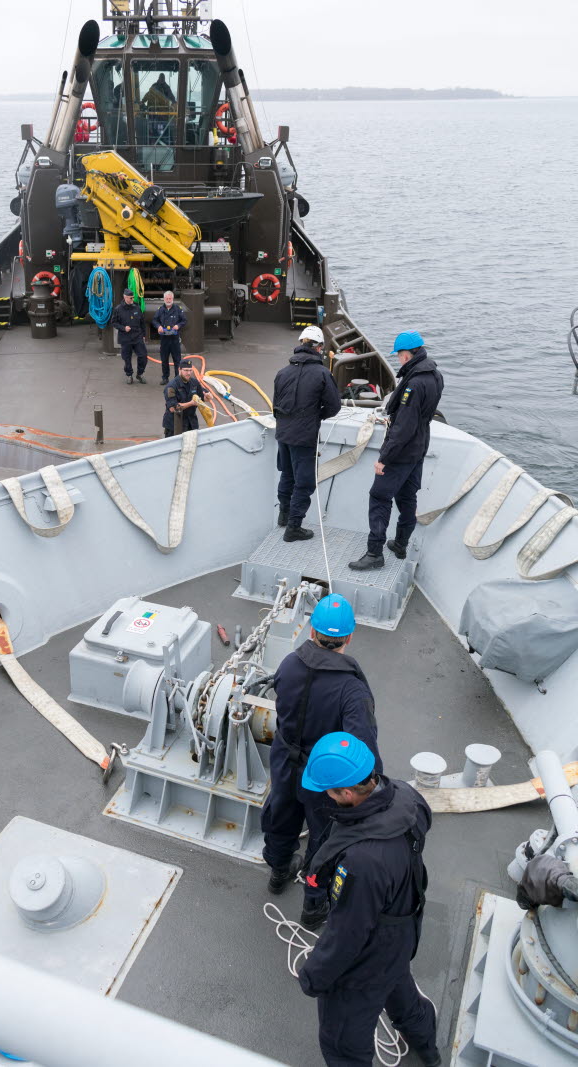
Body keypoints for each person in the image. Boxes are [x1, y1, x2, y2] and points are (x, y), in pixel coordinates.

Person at [297, 732, 440, 1067]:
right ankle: (429, 1053)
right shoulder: (407, 796)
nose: (327, 798)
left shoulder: (361, 862)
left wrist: (313, 976)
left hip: (372, 951)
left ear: (346, 792)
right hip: (404, 926)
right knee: (402, 995)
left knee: (341, 1042)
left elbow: (348, 933)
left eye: (330, 792)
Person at [261, 595, 381, 931]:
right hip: (323, 778)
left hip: (285, 762)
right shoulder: (351, 691)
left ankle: (278, 873)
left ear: (312, 632)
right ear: (349, 637)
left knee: (281, 816)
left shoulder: (287, 664)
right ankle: (313, 908)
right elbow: (362, 749)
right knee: (324, 841)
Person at [349, 330, 444, 570]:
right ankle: (400, 543)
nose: (399, 359)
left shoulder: (413, 384)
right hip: (419, 447)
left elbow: (403, 427)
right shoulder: (436, 376)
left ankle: (374, 553)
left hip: (402, 451)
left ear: (407, 354)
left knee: (380, 496)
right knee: (407, 497)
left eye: (399, 354)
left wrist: (384, 458)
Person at [273, 325, 341, 543]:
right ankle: (293, 527)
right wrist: (316, 416)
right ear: (319, 347)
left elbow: (276, 404)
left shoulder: (282, 372)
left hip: (283, 434)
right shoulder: (322, 373)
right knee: (304, 482)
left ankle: (283, 516)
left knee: (287, 475)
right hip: (304, 436)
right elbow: (334, 406)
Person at [162, 358, 211, 437]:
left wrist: (208, 397)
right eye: (185, 370)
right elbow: (173, 408)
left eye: (190, 370)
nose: (188, 373)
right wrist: (191, 403)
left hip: (191, 423)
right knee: (174, 447)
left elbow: (203, 398)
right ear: (179, 370)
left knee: (192, 446)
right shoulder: (171, 386)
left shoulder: (194, 383)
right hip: (175, 425)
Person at [111, 288, 148, 384]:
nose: (132, 300)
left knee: (143, 356)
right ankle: (129, 375)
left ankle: (140, 374)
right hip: (125, 337)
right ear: (125, 297)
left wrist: (144, 335)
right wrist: (123, 328)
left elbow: (142, 322)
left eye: (133, 298)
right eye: (130, 298)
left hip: (137, 336)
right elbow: (114, 323)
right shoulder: (118, 309)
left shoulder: (136, 307)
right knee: (127, 358)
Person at [152, 291, 187, 384]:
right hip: (164, 340)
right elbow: (154, 320)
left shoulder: (178, 309)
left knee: (177, 360)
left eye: (170, 298)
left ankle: (177, 379)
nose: (168, 300)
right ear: (164, 299)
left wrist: (178, 326)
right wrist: (158, 326)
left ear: (172, 299)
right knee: (164, 360)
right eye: (167, 298)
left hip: (174, 339)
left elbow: (184, 320)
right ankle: (165, 378)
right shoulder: (160, 310)